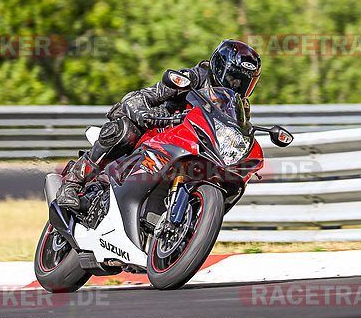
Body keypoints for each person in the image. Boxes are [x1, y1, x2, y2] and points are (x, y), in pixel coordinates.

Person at [56, 39, 262, 209]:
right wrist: (144, 114)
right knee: (124, 131)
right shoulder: (194, 77)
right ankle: (73, 182)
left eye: (244, 82)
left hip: (192, 150)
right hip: (158, 130)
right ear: (218, 67)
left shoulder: (239, 108)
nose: (237, 86)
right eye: (234, 78)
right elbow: (144, 95)